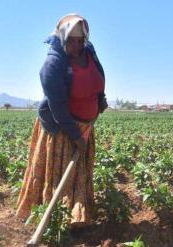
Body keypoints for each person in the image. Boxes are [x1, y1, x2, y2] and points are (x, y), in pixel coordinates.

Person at [16, 13, 107, 228]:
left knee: (79, 175)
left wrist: (100, 98)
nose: (76, 46)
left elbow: (97, 77)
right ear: (62, 38)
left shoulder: (89, 51)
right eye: (71, 41)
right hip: (61, 127)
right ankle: (54, 221)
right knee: (60, 176)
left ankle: (78, 216)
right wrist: (75, 135)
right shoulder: (53, 64)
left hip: (85, 125)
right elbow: (57, 107)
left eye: (80, 41)